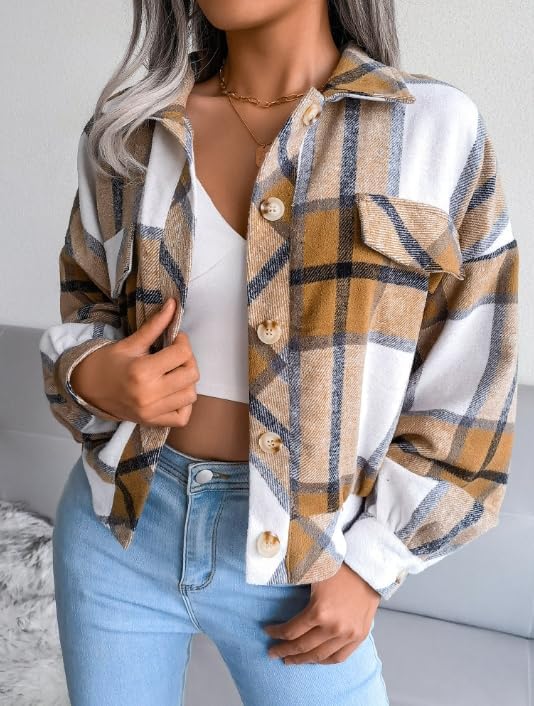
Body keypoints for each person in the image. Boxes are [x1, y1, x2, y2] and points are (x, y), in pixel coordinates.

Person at [39, 1, 519, 705]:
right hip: (118, 531)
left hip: (305, 563)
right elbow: (86, 304)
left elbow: (474, 384)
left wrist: (371, 565)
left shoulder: (433, 130)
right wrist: (92, 375)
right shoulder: (129, 131)